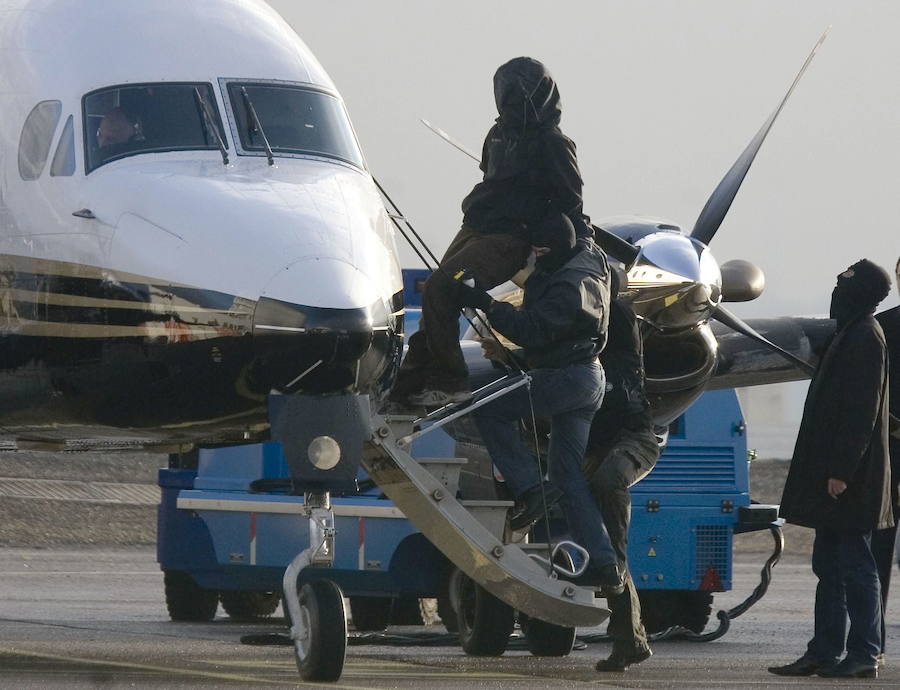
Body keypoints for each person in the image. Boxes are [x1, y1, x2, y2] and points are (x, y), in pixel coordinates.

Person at [392, 56, 591, 407]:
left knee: (445, 286)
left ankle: (451, 382)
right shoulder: (498, 133)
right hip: (476, 225)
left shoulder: (554, 144)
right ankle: (411, 381)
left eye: (520, 97)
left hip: (510, 237)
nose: (512, 104)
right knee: (434, 295)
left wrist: (560, 244)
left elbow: (570, 201)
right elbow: (490, 177)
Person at [457, 214, 624, 594]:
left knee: (489, 408)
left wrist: (482, 301)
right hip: (590, 378)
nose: (534, 255)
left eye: (539, 249)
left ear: (552, 249)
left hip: (565, 378)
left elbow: (531, 328)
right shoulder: (591, 259)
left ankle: (531, 490)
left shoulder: (568, 285)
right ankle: (606, 566)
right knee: (567, 476)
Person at [769, 259, 893, 680]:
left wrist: (841, 471)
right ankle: (824, 650)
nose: (836, 296)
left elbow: (860, 414)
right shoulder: (849, 334)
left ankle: (865, 653)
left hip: (850, 480)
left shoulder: (865, 338)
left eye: (845, 289)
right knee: (830, 567)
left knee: (857, 567)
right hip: (833, 476)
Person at [583, 275, 660, 672]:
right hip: (595, 446)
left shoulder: (621, 318)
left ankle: (611, 566)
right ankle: (629, 640)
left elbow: (618, 312)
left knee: (609, 481)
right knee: (606, 550)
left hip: (632, 439)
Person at [872, 256, 900, 668]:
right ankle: (870, 642)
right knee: (873, 559)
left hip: (887, 452)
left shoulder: (881, 327)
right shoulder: (881, 328)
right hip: (886, 460)